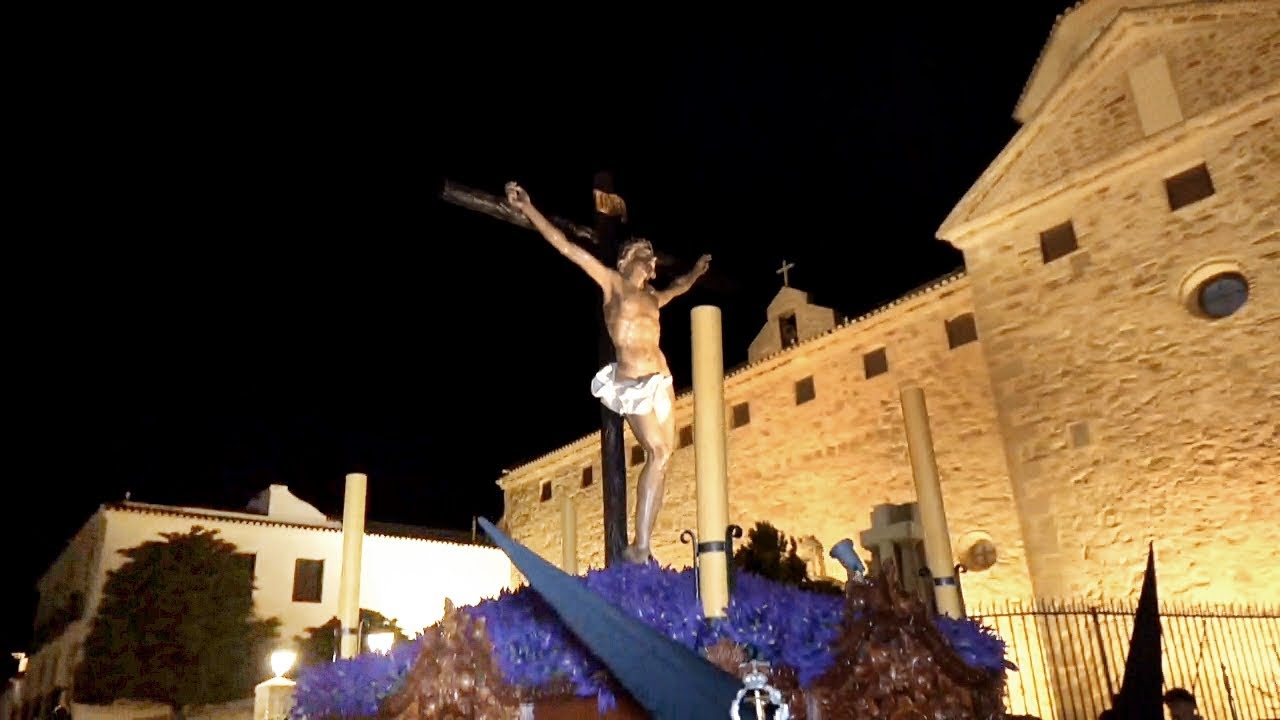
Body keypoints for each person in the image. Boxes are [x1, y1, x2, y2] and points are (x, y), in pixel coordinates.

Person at [506, 181, 712, 563]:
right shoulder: (613, 284)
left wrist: (697, 272)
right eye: (646, 256)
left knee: (664, 456)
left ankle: (643, 543)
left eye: (653, 259)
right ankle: (640, 547)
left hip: (661, 378)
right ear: (627, 259)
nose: (653, 264)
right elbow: (568, 248)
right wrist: (528, 209)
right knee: (658, 449)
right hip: (633, 382)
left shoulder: (654, 297)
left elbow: (680, 286)